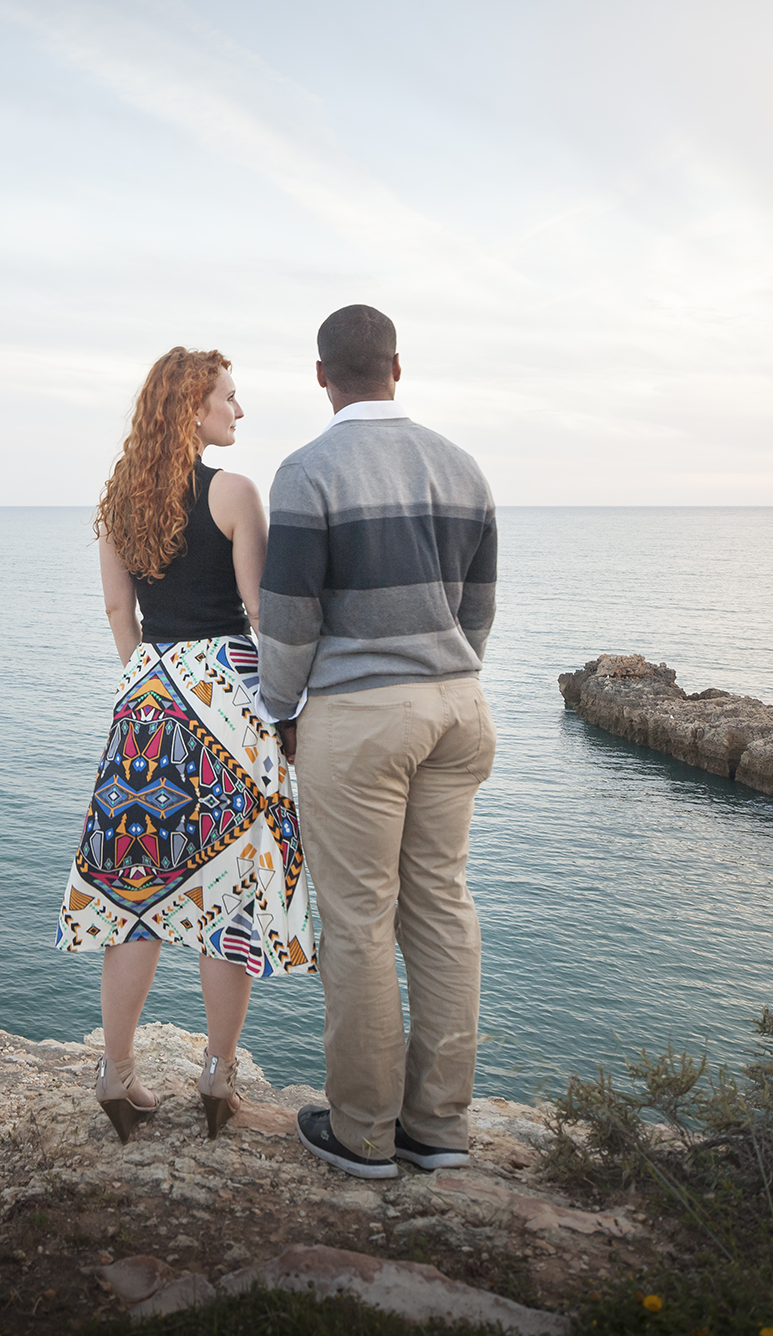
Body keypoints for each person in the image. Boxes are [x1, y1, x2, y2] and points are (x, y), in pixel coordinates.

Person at [257, 305, 497, 1179]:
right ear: (399, 367)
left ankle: (362, 1133)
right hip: (459, 706)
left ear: (322, 376)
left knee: (359, 924)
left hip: (360, 717)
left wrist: (281, 709)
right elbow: (479, 610)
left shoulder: (308, 471)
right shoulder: (462, 466)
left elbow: (289, 622)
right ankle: (439, 1129)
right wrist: (448, 675)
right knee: (442, 909)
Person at [57, 346, 316, 1143]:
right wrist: (288, 709)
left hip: (147, 697)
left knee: (135, 890)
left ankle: (118, 1073)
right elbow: (263, 614)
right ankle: (217, 1073)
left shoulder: (117, 503)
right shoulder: (235, 492)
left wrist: (154, 683)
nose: (238, 412)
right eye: (229, 399)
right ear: (192, 409)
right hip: (229, 697)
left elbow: (117, 615)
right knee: (229, 896)